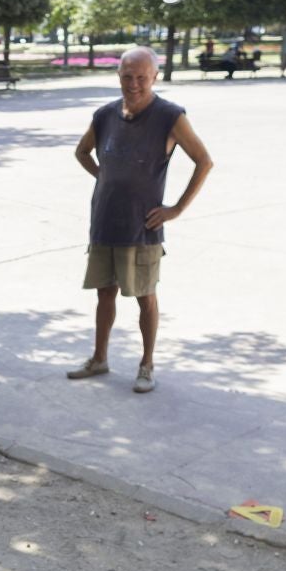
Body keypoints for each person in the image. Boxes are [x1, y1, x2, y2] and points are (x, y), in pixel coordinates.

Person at [66, 45, 213, 393]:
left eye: (142, 78)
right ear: (118, 76)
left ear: (155, 77)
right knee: (104, 293)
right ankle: (99, 358)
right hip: (104, 220)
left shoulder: (170, 116)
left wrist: (176, 208)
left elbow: (204, 161)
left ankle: (147, 365)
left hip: (142, 226)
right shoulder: (105, 115)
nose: (134, 84)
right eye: (127, 77)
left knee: (145, 295)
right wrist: (104, 177)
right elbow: (82, 151)